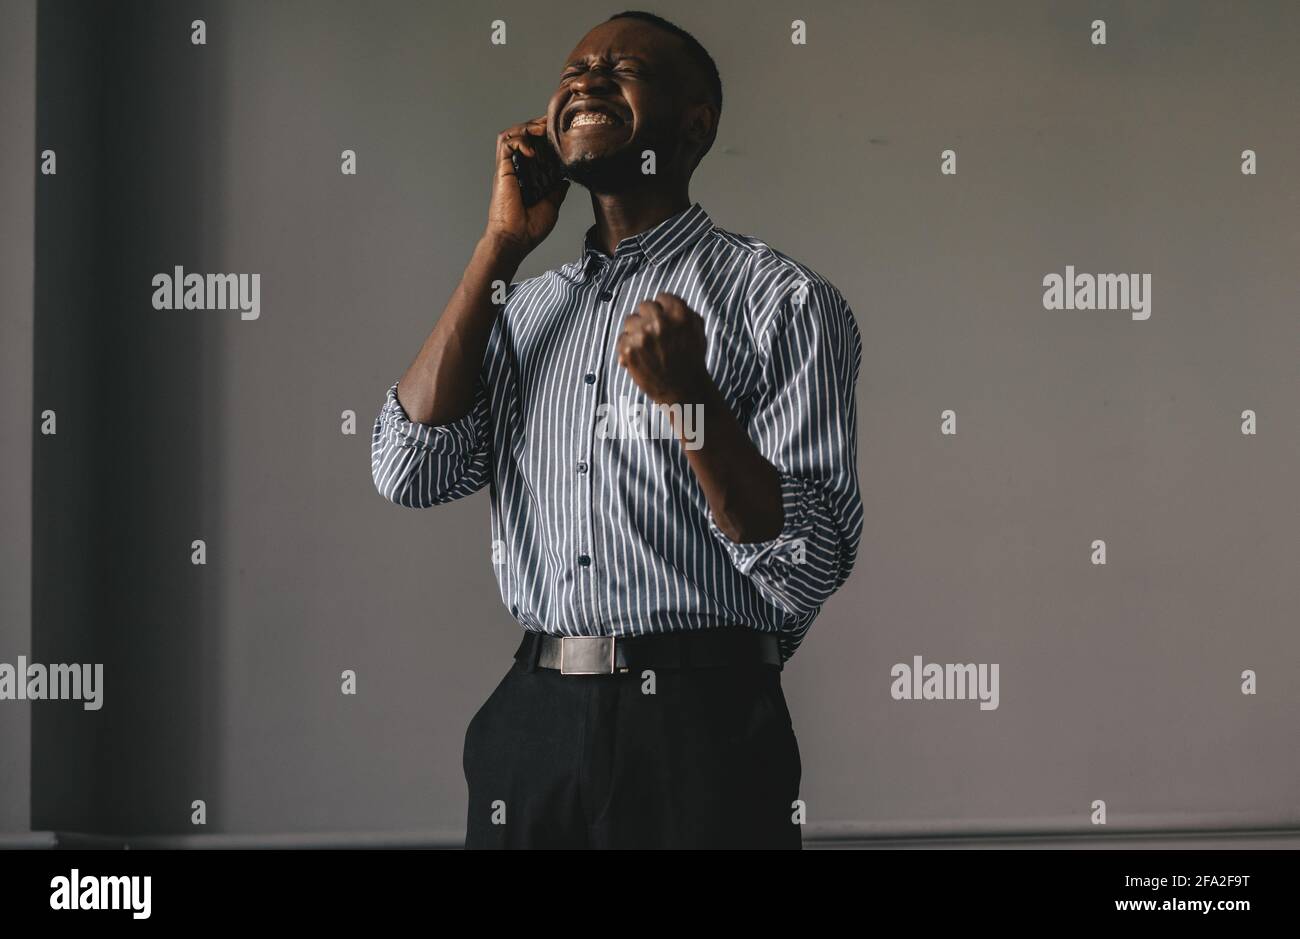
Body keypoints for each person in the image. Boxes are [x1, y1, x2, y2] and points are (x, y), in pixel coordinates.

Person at [371, 10, 863, 849]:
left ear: (694, 126)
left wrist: (689, 398)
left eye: (622, 69)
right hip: (531, 724)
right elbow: (409, 470)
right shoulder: (522, 308)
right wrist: (500, 246)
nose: (586, 80)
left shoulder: (784, 302)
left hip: (700, 727)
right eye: (574, 71)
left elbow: (809, 561)